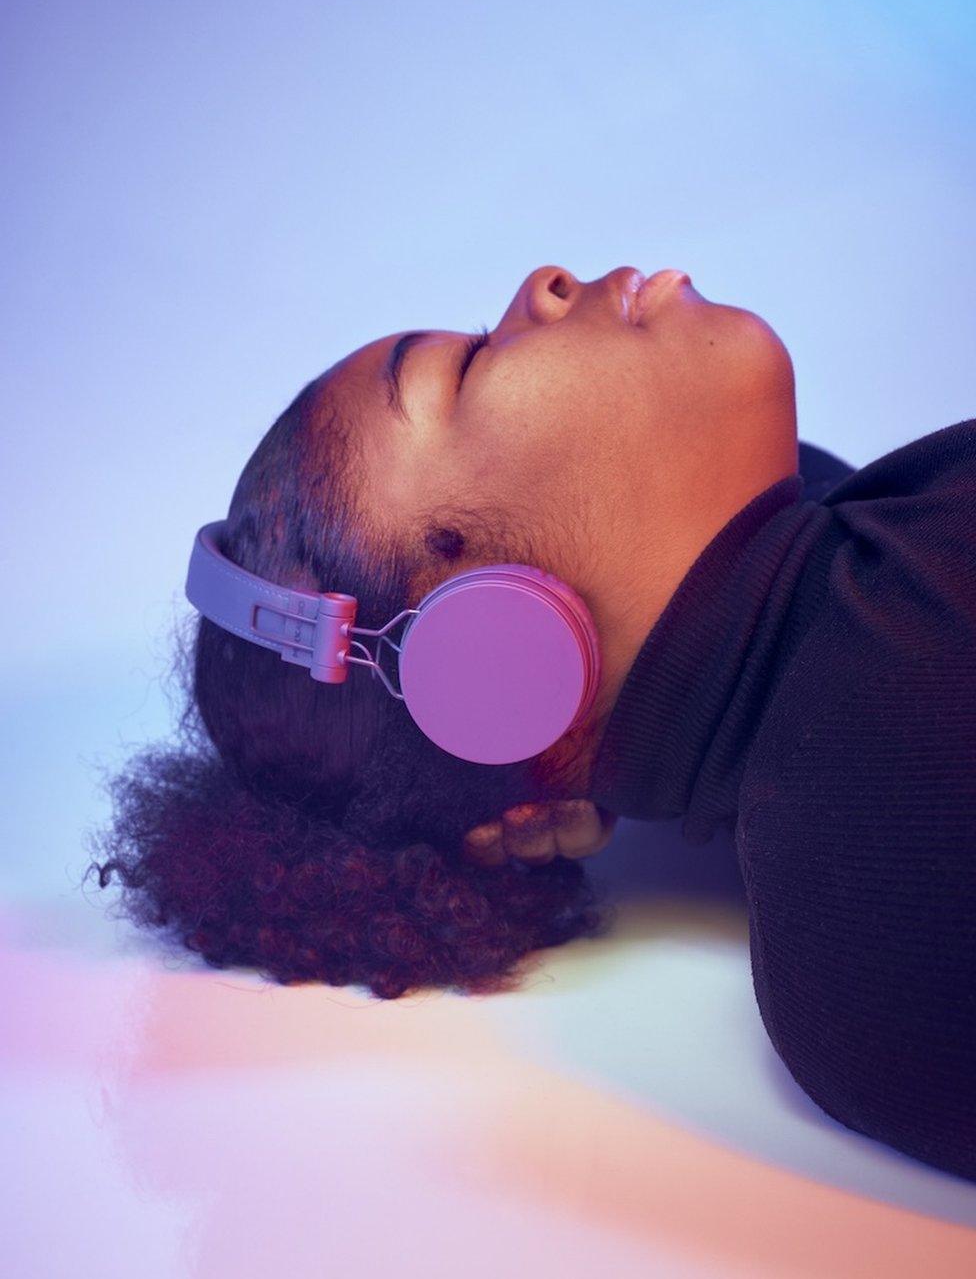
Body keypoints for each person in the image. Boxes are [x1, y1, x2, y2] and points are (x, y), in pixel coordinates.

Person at [86, 265, 975, 1181]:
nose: (542, 286)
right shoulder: (912, 727)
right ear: (491, 656)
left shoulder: (850, 586)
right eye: (464, 369)